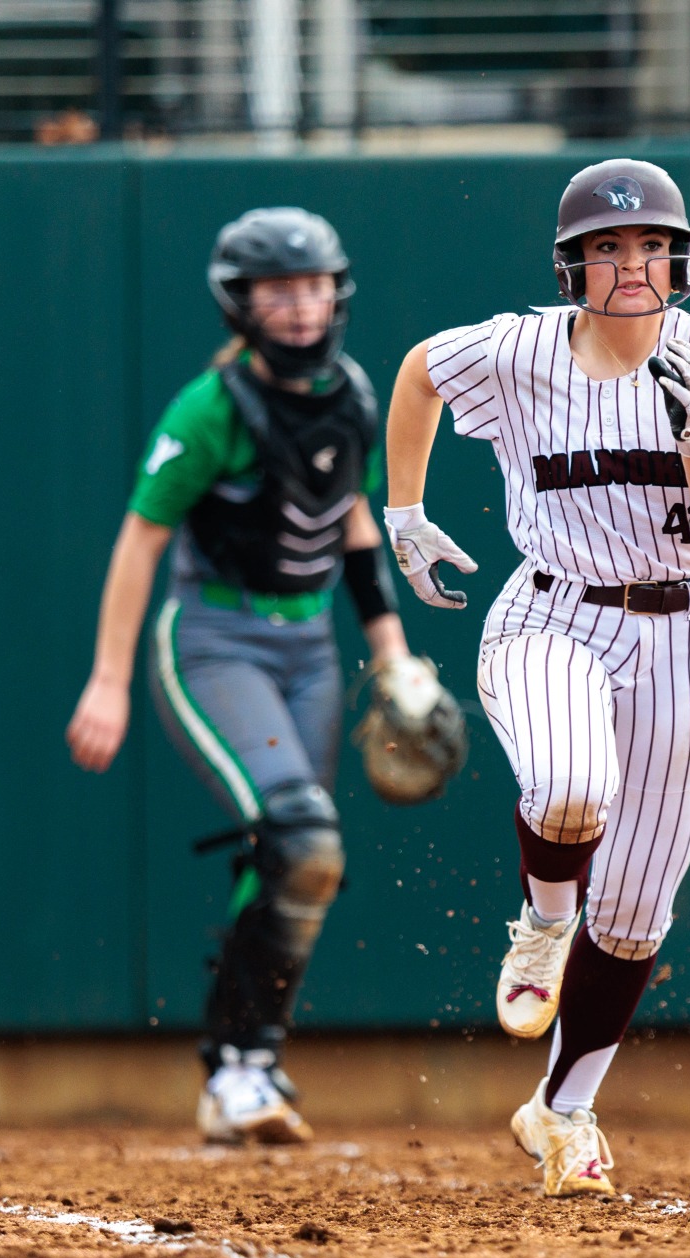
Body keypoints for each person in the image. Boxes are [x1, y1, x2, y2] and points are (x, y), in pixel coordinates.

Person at [380, 158, 690, 1196]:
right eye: (606, 247)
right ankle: (541, 922)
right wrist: (405, 509)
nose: (630, 264)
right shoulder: (519, 350)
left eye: (648, 243)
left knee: (639, 913)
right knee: (567, 788)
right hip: (551, 611)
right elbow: (419, 368)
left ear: (679, 257)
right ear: (573, 267)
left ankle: (561, 1112)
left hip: (674, 632)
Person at [66, 207, 424, 1144]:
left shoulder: (352, 394)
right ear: (242, 302)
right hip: (216, 640)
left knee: (299, 852)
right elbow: (140, 539)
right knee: (300, 831)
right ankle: (234, 1068)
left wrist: (390, 652)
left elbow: (351, 525)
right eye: (279, 291)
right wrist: (108, 679)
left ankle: (248, 1063)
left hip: (308, 649)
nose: (301, 308)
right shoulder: (211, 407)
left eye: (314, 287)